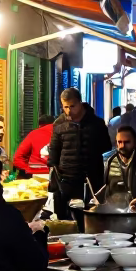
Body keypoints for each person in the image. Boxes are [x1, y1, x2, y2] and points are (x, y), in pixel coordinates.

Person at [47, 87, 111, 219]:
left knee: (92, 216)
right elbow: (54, 149)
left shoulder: (97, 123)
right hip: (67, 178)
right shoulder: (59, 124)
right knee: (66, 218)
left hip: (92, 179)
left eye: (72, 106)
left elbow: (106, 147)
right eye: (65, 107)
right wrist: (55, 171)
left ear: (80, 103)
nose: (69, 110)